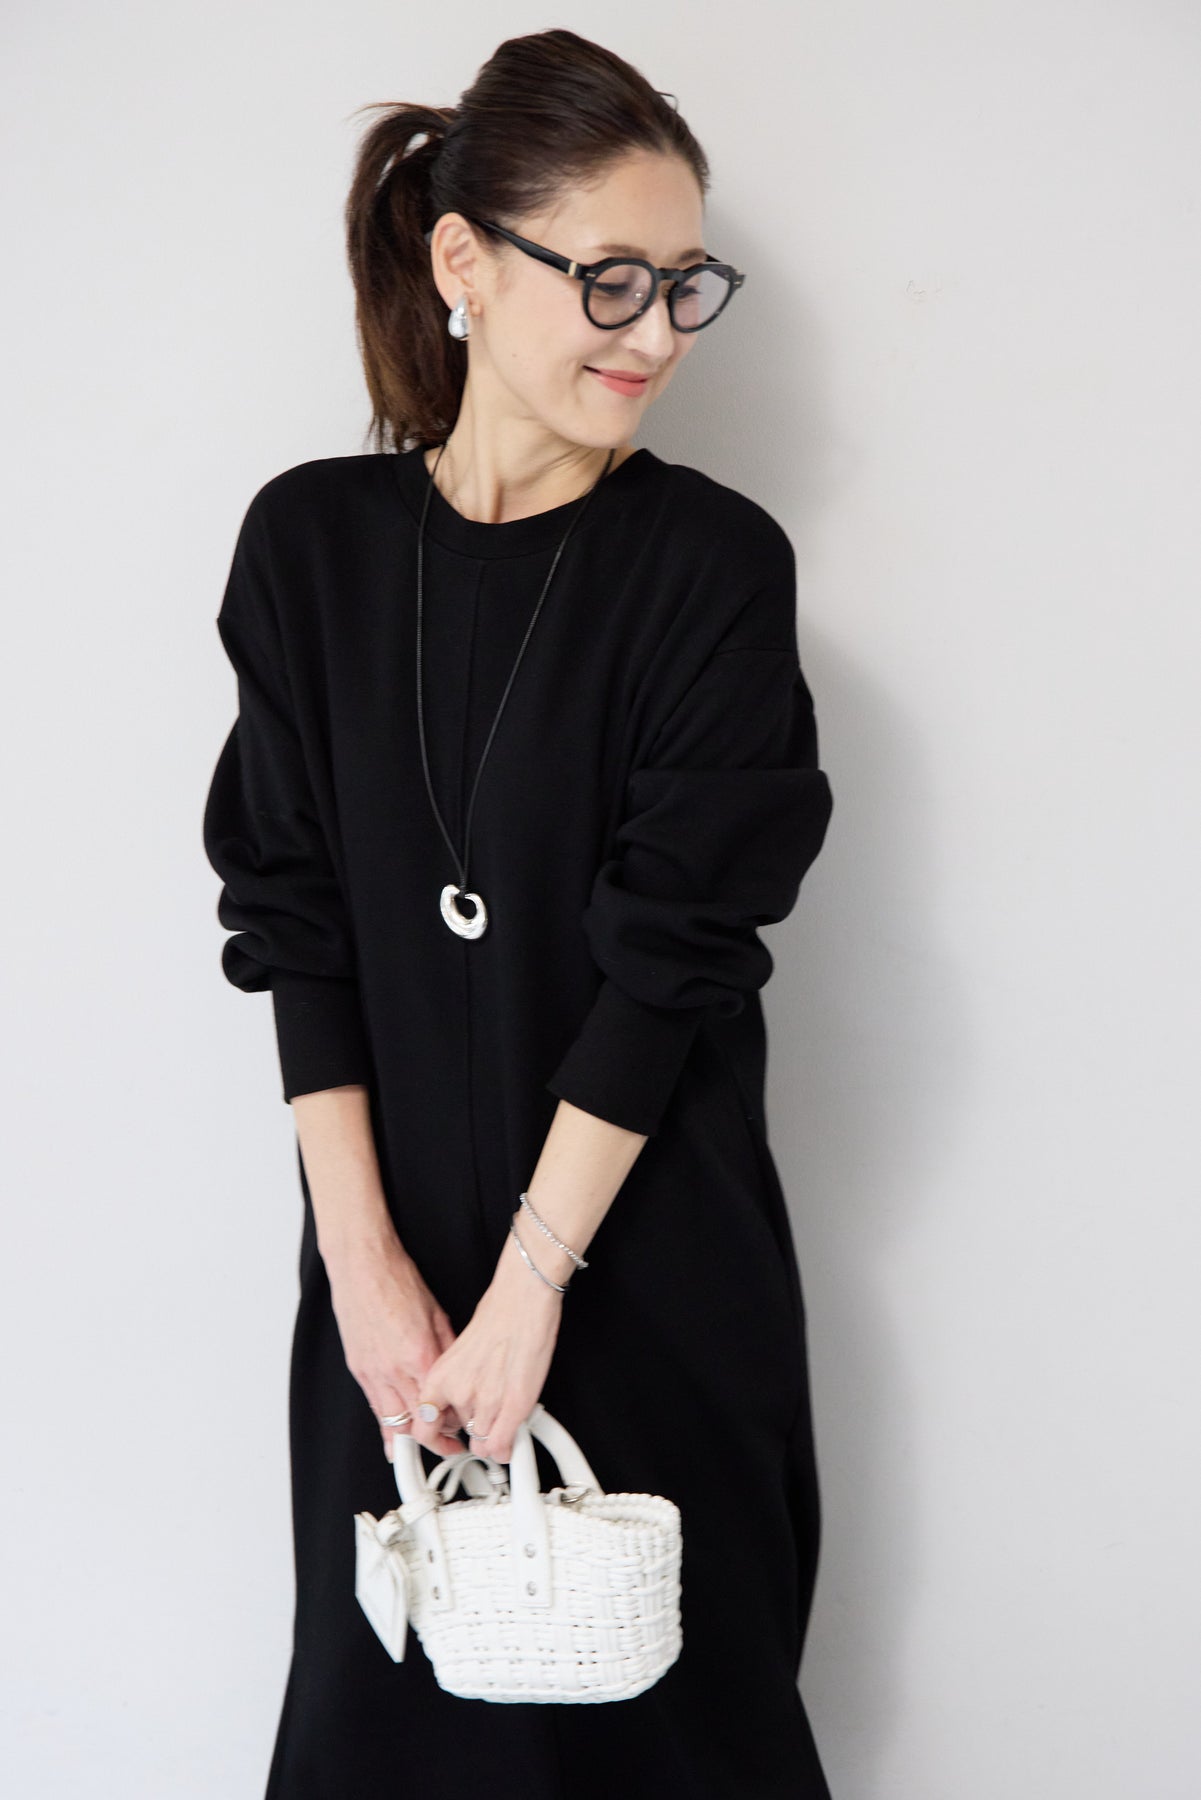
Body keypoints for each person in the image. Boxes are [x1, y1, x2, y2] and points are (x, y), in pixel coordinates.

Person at [202, 26, 835, 1800]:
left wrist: (529, 1289)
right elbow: (292, 917)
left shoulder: (710, 568)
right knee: (384, 1747)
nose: (656, 334)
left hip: (644, 1271)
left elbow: (673, 963)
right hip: (390, 1313)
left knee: (670, 1751)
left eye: (682, 285)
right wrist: (366, 1276)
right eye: (610, 279)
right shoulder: (308, 550)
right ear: (464, 262)